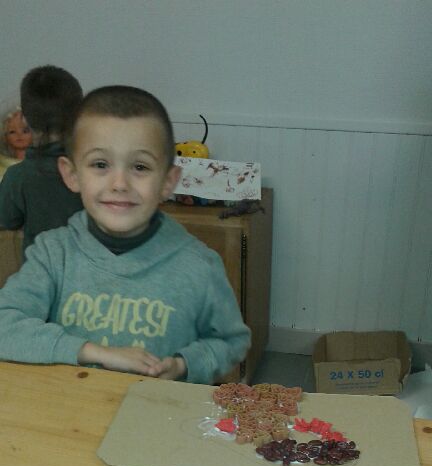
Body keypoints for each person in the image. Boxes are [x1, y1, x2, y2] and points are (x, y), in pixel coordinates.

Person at [0, 85, 251, 383]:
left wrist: (183, 365)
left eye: (140, 167)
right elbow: (5, 326)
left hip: (157, 408)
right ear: (72, 174)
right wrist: (93, 352)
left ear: (168, 182)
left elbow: (230, 342)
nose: (119, 183)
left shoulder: (200, 265)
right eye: (100, 164)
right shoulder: (52, 254)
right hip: (70, 407)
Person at [0, 65, 84, 254]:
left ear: (24, 118)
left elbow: (6, 220)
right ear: (79, 115)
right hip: (89, 268)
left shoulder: (18, 176)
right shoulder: (94, 170)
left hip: (38, 268)